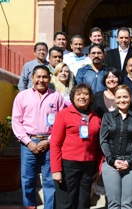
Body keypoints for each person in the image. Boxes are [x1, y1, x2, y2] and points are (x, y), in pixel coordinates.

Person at [12, 65, 65, 208]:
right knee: (27, 180)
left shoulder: (57, 97)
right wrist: (28, 142)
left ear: (50, 78)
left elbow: (61, 123)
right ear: (32, 78)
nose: (41, 80)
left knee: (49, 180)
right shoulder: (22, 96)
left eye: (45, 77)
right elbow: (16, 122)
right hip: (28, 143)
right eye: (38, 76)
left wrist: (48, 141)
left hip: (50, 143)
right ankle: (29, 206)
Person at [50, 83, 102, 209]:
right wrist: (56, 170)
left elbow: (98, 146)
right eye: (78, 94)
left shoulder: (96, 118)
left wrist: (99, 167)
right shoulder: (63, 114)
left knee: (83, 202)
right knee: (66, 202)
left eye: (85, 94)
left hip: (88, 165)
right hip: (68, 165)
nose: (82, 97)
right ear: (73, 97)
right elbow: (55, 143)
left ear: (90, 98)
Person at [100, 84, 132, 209]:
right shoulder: (107, 117)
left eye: (125, 97)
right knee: (113, 204)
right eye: (119, 97)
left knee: (128, 204)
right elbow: (103, 141)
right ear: (114, 98)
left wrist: (129, 161)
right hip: (111, 165)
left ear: (130, 98)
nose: (122, 100)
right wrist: (112, 160)